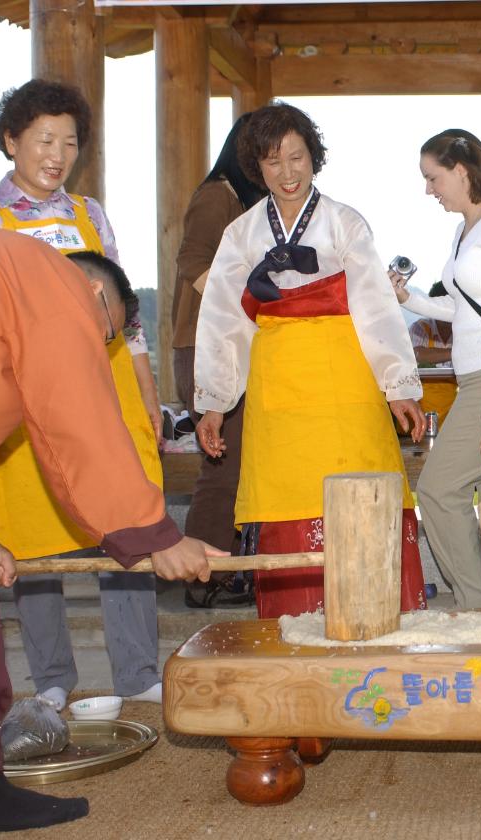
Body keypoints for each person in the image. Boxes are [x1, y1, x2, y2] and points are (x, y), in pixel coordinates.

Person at [0, 226, 217, 837]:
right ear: (93, 294)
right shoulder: (53, 283)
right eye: (103, 333)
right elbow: (76, 427)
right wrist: (155, 535)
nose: (96, 344)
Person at [0, 79, 167, 710]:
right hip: (21, 397)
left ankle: (137, 672)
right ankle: (50, 675)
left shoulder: (90, 214)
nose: (57, 153)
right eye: (43, 139)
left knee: (126, 516)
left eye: (69, 142)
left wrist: (148, 390)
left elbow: (125, 312)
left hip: (106, 383)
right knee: (29, 526)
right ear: (10, 140)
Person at [193, 102, 427, 618]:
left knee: (362, 491)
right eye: (273, 161)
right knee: (286, 500)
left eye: (296, 157)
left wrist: (398, 383)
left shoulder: (345, 224)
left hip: (345, 377)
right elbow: (224, 322)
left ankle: (380, 621)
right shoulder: (242, 234)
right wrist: (214, 400)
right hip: (277, 383)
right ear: (257, 167)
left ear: (313, 158)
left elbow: (375, 306)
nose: (287, 172)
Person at [390, 129, 481, 610]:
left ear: (461, 170)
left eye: (432, 178)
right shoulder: (466, 229)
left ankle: (478, 604)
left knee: (436, 491)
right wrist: (408, 299)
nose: (428, 190)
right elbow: (467, 310)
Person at [171, 113, 266, 609]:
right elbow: (193, 264)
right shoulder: (217, 195)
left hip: (229, 343)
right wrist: (248, 306)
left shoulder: (245, 203)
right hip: (206, 346)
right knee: (222, 466)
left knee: (235, 462)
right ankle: (203, 574)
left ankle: (225, 568)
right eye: (262, 152)